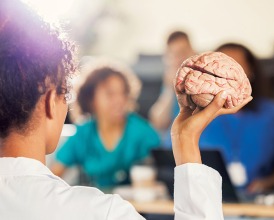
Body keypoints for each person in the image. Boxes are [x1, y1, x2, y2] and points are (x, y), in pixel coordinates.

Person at [0, 0, 252, 219]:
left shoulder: (138, 131)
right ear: (49, 103)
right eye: (65, 93)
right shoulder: (100, 213)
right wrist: (186, 140)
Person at [51, 63, 160, 189]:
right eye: (110, 94)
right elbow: (54, 175)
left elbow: (162, 173)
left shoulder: (142, 132)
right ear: (90, 99)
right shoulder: (83, 134)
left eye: (123, 93)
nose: (119, 100)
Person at [199, 43, 274, 192]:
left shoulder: (272, 115)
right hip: (206, 199)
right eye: (220, 68)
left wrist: (268, 183)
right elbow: (171, 159)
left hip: (257, 203)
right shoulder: (197, 114)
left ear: (251, 71)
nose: (227, 75)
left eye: (235, 68)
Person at [149, 31, 195, 147]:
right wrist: (170, 88)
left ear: (193, 52)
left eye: (183, 52)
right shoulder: (170, 84)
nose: (180, 59)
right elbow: (158, 123)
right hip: (173, 147)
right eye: (174, 55)